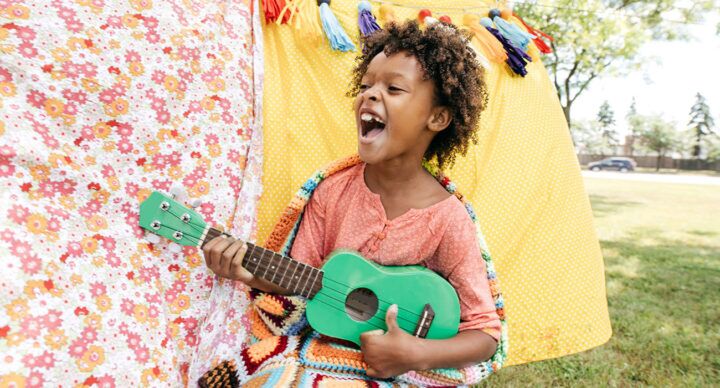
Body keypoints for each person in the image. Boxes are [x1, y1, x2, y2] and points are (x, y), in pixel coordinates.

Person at [202, 20, 502, 383]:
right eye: (365, 86)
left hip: (405, 365)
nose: (370, 95)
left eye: (393, 88)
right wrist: (246, 271)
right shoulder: (332, 191)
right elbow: (300, 276)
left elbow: (484, 333)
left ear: (437, 117)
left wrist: (414, 352)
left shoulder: (447, 218)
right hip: (323, 349)